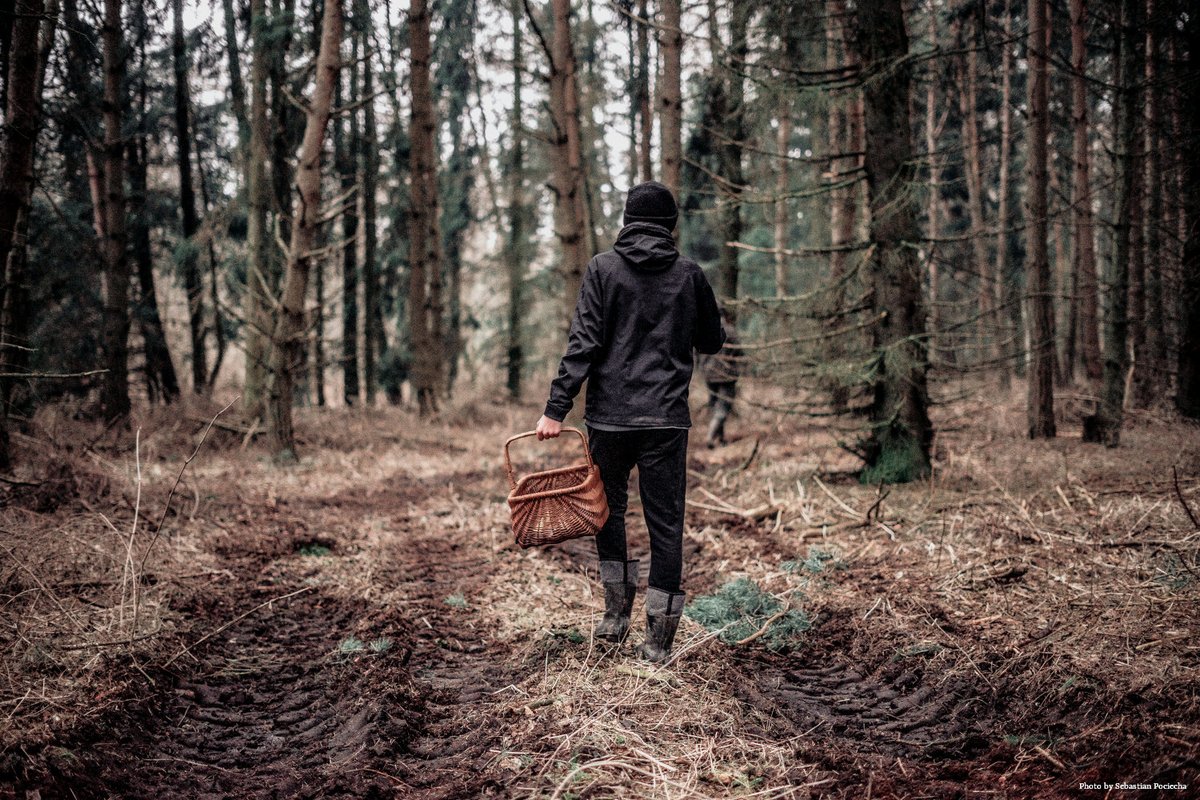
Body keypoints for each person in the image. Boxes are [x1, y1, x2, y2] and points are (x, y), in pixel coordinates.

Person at [536, 181, 726, 664]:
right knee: (666, 524)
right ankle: (659, 643)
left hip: (610, 420)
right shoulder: (688, 274)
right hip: (665, 420)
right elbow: (712, 340)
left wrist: (556, 409)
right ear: (670, 225)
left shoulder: (603, 269)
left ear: (627, 220)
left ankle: (614, 617)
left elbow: (583, 342)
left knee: (607, 512)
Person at [698, 308, 738, 447]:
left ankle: (720, 439)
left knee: (715, 405)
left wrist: (702, 368)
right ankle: (710, 436)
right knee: (723, 407)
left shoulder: (704, 330)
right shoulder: (731, 331)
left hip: (709, 375)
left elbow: (697, 353)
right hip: (726, 375)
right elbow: (739, 352)